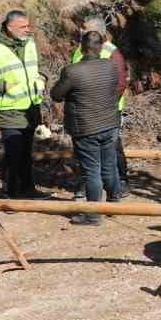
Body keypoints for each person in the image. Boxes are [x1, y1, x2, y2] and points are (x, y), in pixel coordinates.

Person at [51, 30, 128, 225]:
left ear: (82, 47)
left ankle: (93, 214)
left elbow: (57, 95)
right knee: (109, 164)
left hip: (86, 128)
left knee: (91, 170)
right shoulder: (110, 66)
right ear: (101, 47)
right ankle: (113, 202)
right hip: (110, 124)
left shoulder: (72, 71)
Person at [0, 9, 46, 198]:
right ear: (9, 26)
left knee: (26, 153)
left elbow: (39, 66)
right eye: (23, 27)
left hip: (31, 108)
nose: (28, 30)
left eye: (28, 26)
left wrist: (43, 78)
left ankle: (28, 189)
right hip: (8, 110)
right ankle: (11, 194)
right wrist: (3, 85)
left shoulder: (29, 42)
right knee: (14, 154)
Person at [69, 16, 129, 196]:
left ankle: (121, 183)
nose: (80, 31)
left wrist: (104, 104)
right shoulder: (79, 50)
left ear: (100, 33)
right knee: (85, 150)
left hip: (108, 110)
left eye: (85, 29)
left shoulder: (112, 53)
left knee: (113, 148)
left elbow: (120, 84)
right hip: (85, 111)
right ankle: (87, 184)